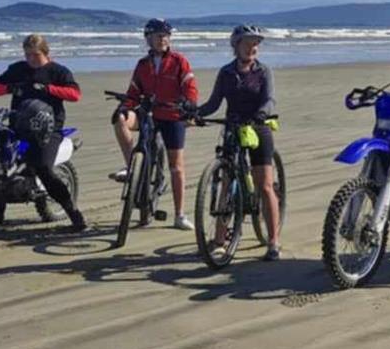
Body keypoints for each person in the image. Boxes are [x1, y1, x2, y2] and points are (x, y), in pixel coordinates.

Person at [194, 24, 283, 259]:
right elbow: (213, 103)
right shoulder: (226, 73)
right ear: (236, 46)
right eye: (248, 43)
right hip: (233, 128)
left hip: (258, 127)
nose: (252, 47)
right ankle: (219, 239)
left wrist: (262, 114)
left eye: (255, 44)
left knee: (265, 186)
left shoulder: (263, 71)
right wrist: (195, 113)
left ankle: (273, 242)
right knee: (226, 183)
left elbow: (270, 99)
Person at [0, 33, 87, 232]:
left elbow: (75, 94)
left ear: (45, 52)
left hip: (49, 130)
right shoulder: (18, 69)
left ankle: (74, 214)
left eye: (35, 55)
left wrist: (49, 89)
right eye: (27, 55)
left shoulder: (58, 71)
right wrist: (10, 88)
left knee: (43, 168)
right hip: (19, 126)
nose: (31, 59)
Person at [110, 18, 199, 229]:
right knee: (120, 118)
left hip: (172, 115)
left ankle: (179, 215)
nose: (163, 39)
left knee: (176, 166)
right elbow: (134, 92)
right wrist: (126, 105)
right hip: (148, 114)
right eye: (159, 36)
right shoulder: (143, 64)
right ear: (148, 38)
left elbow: (190, 86)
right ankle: (132, 166)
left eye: (166, 36)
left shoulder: (179, 61)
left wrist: (189, 103)